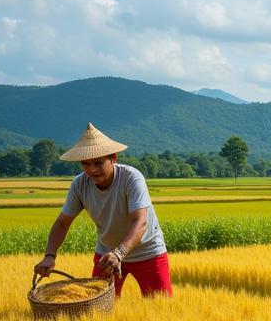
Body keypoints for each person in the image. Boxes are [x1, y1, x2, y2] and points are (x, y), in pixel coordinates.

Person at [33, 122, 173, 297]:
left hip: (147, 252)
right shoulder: (79, 184)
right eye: (86, 164)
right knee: (98, 308)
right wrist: (50, 255)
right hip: (107, 256)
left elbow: (141, 221)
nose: (92, 170)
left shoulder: (131, 178)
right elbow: (62, 223)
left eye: (98, 163)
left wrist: (120, 253)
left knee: (160, 307)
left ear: (113, 158)